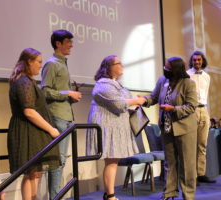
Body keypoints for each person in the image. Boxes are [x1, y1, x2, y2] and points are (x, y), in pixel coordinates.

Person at [86, 55, 146, 200]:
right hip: (108, 128)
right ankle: (110, 195)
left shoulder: (116, 84)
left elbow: (123, 102)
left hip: (116, 127)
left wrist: (132, 106)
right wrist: (136, 100)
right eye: (118, 63)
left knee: (113, 161)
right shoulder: (103, 84)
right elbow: (119, 104)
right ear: (108, 67)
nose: (122, 65)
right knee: (111, 161)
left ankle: (109, 194)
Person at [8, 48, 60, 200]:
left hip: (32, 131)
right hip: (27, 132)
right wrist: (51, 129)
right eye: (39, 62)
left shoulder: (26, 81)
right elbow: (29, 111)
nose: (40, 65)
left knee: (34, 173)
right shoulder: (23, 82)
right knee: (31, 173)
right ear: (29, 62)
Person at [143, 57, 198, 200]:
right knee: (169, 162)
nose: (165, 68)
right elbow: (153, 97)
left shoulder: (188, 83)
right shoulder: (162, 81)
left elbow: (191, 106)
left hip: (185, 129)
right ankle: (169, 192)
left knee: (187, 165)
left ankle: (188, 195)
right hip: (167, 128)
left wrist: (173, 109)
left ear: (176, 69)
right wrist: (143, 100)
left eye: (168, 67)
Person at [41, 29, 82, 199]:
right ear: (58, 43)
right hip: (57, 116)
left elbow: (56, 91)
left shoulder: (62, 63)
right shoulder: (52, 64)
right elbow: (45, 91)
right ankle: (55, 197)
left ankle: (55, 196)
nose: (71, 45)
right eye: (68, 42)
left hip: (65, 115)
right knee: (58, 161)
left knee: (62, 160)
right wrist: (68, 94)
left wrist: (71, 97)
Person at [187, 51, 216, 184]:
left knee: (202, 144)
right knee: (191, 145)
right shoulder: (187, 75)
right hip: (191, 110)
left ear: (203, 61)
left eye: (199, 60)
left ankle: (201, 173)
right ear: (191, 61)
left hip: (204, 110)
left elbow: (205, 95)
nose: (197, 62)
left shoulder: (207, 76)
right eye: (194, 60)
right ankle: (192, 176)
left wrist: (207, 113)